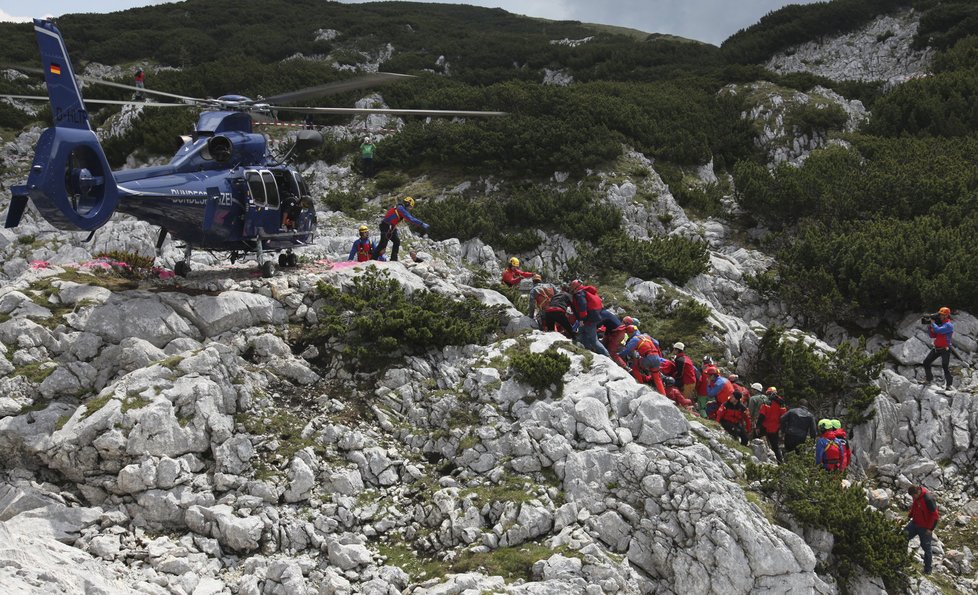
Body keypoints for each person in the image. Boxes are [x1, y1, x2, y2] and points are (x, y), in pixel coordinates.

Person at [372, 196, 428, 262]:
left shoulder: (400, 208)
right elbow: (410, 218)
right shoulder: (401, 209)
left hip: (391, 227)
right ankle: (373, 259)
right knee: (383, 244)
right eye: (410, 207)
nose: (409, 209)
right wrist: (421, 224)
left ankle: (393, 259)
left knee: (396, 241)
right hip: (386, 226)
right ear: (407, 204)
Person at [569, 280, 610, 357]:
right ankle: (587, 351)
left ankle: (607, 355)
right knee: (582, 333)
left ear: (574, 287)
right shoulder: (589, 292)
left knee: (593, 340)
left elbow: (582, 306)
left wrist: (582, 319)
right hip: (595, 317)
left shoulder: (579, 294)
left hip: (588, 319)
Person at [906, 484, 940, 575]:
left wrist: (930, 529)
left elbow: (935, 516)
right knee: (903, 536)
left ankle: (927, 569)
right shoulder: (916, 497)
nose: (913, 497)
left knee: (926, 548)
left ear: (917, 492)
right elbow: (914, 506)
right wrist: (909, 516)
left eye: (913, 496)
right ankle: (901, 558)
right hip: (914, 523)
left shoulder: (928, 499)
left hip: (925, 528)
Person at [922, 307, 954, 390]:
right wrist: (929, 327)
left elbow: (938, 330)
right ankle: (929, 380)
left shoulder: (948, 325)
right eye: (940, 314)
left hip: (945, 349)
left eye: (942, 315)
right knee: (926, 362)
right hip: (937, 348)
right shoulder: (941, 324)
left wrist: (933, 323)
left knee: (945, 366)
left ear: (946, 315)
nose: (940, 316)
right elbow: (933, 335)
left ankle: (949, 385)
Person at [757, 389, 788, 463]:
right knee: (775, 446)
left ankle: (758, 458)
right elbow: (783, 417)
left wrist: (757, 426)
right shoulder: (781, 404)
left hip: (764, 426)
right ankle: (780, 462)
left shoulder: (767, 403)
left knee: (758, 441)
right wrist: (781, 429)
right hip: (775, 428)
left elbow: (762, 416)